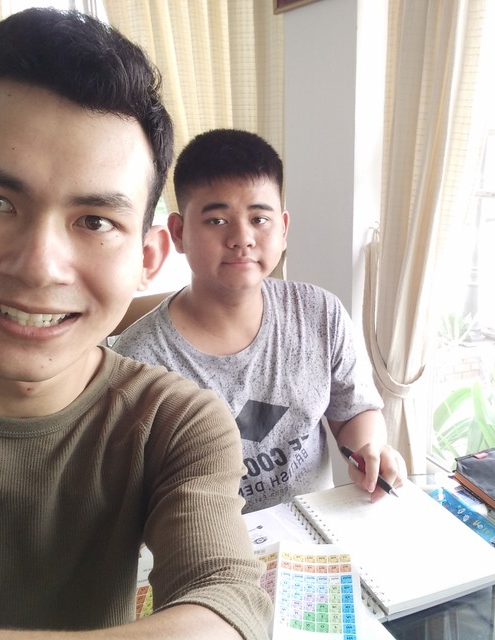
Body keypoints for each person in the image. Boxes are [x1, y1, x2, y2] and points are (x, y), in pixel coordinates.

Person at [0, 9, 271, 639]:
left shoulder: (171, 421)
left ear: (147, 258)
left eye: (95, 221)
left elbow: (227, 604)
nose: (39, 266)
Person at [113, 128, 406, 514]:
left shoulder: (320, 313)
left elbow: (352, 410)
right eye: (217, 220)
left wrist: (368, 448)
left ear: (283, 229)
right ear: (179, 233)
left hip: (314, 528)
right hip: (205, 541)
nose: (242, 238)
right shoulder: (138, 363)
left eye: (259, 219)